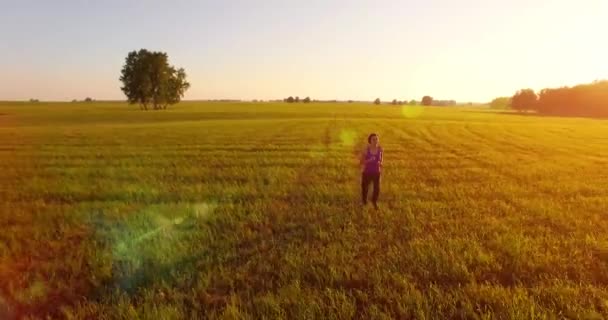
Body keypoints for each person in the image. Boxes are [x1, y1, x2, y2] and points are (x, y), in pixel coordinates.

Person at [360, 133, 383, 209]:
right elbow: (361, 161)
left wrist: (380, 163)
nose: (375, 141)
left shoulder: (380, 149)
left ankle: (374, 202)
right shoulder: (366, 150)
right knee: (365, 188)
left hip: (377, 172)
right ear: (370, 141)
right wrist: (369, 160)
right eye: (373, 139)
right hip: (367, 172)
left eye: (377, 139)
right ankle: (364, 202)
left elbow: (381, 159)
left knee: (377, 188)